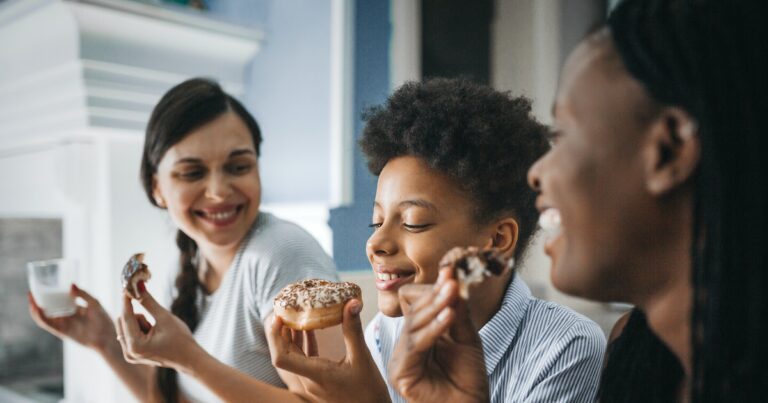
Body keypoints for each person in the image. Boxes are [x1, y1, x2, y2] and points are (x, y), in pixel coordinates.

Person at [388, 0, 768, 401]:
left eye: (563, 136)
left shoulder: (571, 346)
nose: (536, 173)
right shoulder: (635, 358)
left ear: (668, 151)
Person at [267, 78, 606, 402]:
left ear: (497, 240)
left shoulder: (565, 347)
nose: (376, 244)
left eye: (414, 223)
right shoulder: (384, 333)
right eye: (377, 221)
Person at [29, 78, 339, 402]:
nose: (218, 191)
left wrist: (191, 360)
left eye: (238, 166)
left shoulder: (282, 254)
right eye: (192, 173)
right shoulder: (187, 270)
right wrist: (105, 340)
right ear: (157, 188)